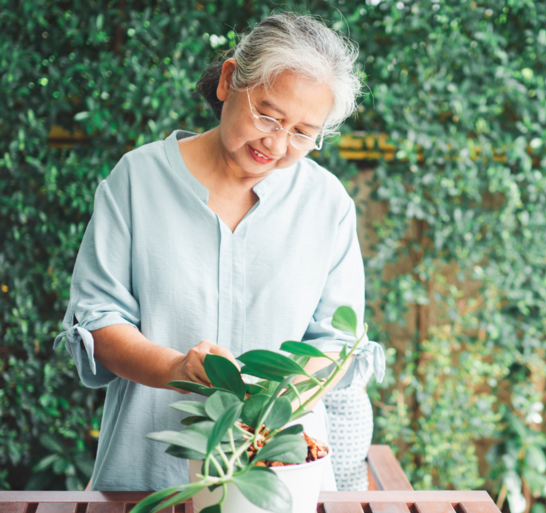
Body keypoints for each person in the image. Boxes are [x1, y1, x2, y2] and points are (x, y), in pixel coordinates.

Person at [54, 13, 384, 492]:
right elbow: (99, 322)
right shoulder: (137, 180)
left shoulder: (326, 204)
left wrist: (268, 404)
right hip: (148, 476)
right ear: (230, 80)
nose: (277, 142)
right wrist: (176, 369)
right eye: (268, 115)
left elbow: (335, 341)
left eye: (302, 132)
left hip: (280, 480)